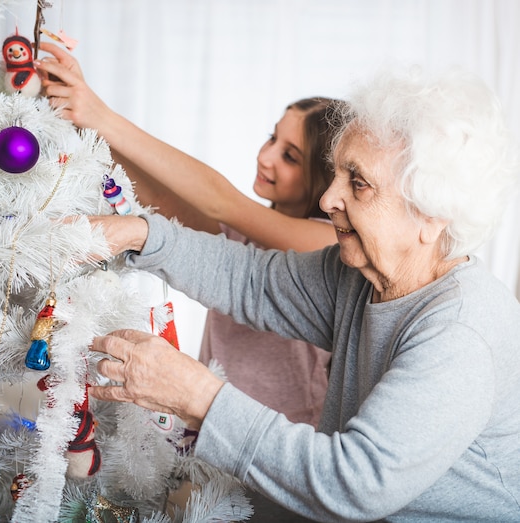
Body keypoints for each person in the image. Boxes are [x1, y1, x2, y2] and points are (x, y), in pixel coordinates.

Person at [86, 67, 520, 522]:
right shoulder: (357, 275)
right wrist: (139, 234)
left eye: (358, 182)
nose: (329, 198)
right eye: (337, 174)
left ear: (432, 214)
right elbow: (251, 280)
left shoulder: (460, 332)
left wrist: (198, 397)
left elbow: (354, 483)